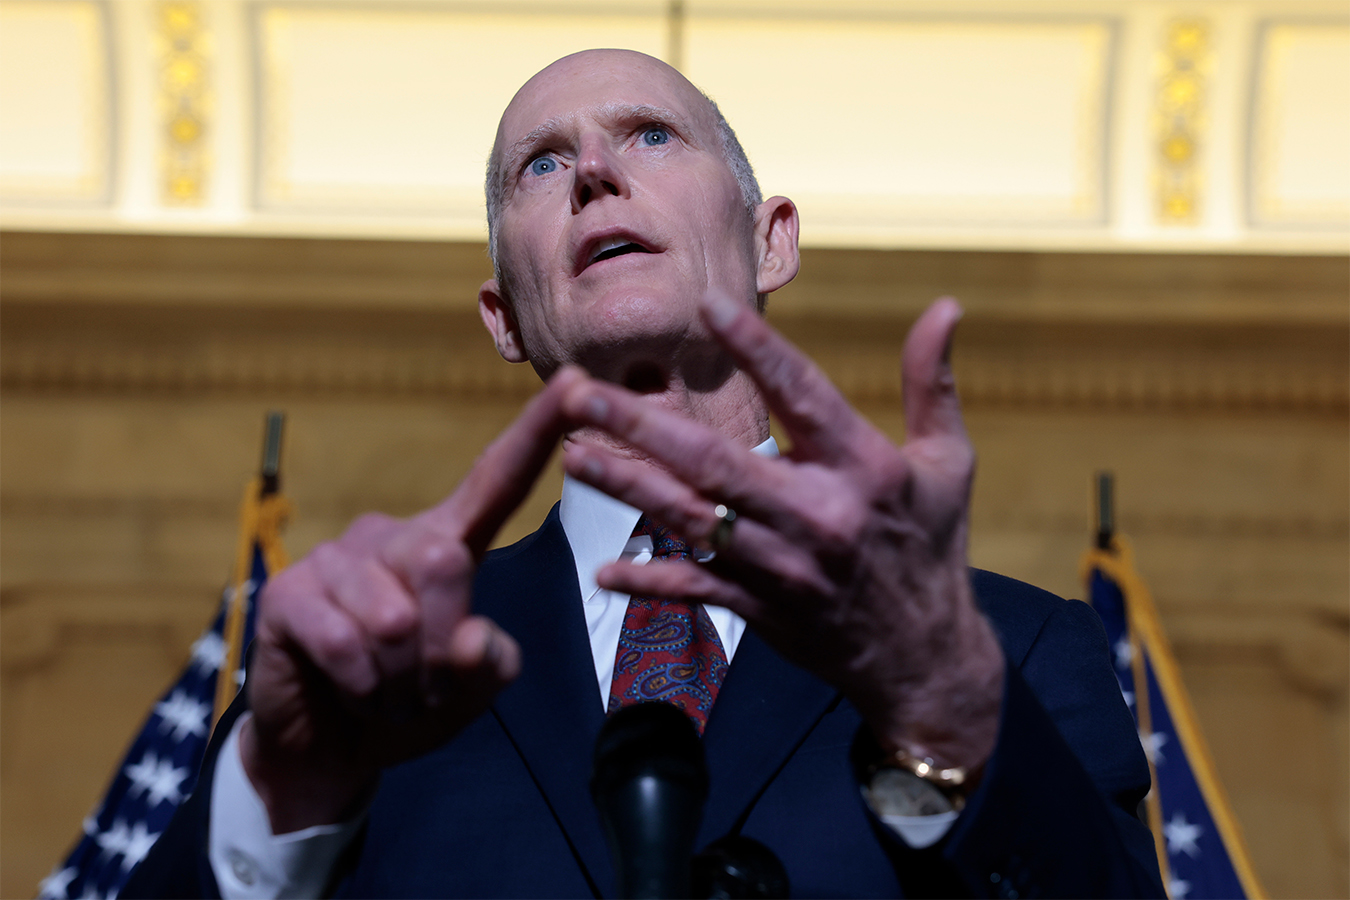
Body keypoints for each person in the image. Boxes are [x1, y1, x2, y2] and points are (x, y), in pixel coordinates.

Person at [125, 49, 1164, 898]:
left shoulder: (1009, 650)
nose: (592, 170)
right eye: (541, 164)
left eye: (651, 135)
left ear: (771, 241)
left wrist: (947, 703)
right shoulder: (375, 666)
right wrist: (283, 793)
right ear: (503, 316)